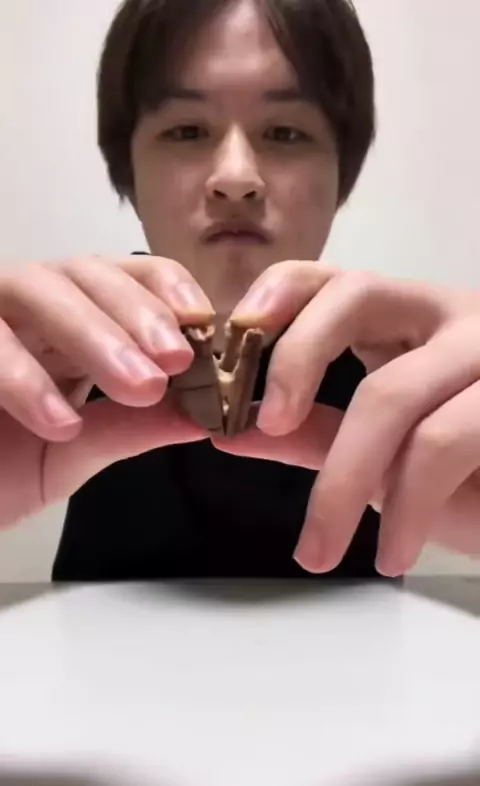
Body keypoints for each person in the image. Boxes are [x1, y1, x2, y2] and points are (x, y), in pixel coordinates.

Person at [1, 0, 479, 582]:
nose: (235, 177)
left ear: (341, 174)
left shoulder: (403, 362)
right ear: (129, 168)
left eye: (285, 132)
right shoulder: (59, 349)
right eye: (186, 131)